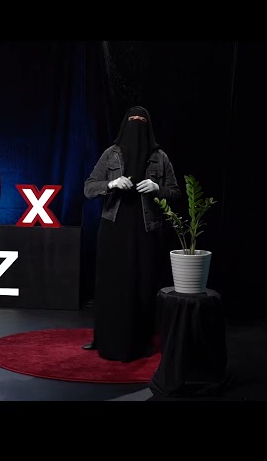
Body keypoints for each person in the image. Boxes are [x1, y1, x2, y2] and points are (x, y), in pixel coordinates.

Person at [83, 106, 181, 362]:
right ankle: (106, 337)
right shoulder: (111, 153)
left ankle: (140, 341)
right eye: (132, 121)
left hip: (146, 230)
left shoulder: (160, 157)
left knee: (142, 284)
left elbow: (175, 192)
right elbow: (89, 187)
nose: (136, 126)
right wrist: (111, 183)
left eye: (141, 121)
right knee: (112, 284)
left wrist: (157, 187)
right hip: (114, 228)